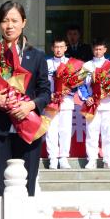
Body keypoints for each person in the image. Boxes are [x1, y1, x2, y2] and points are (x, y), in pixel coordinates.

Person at [0, 1, 51, 195]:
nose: (9, 25)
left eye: (14, 20)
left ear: (24, 23)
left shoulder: (36, 56)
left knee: (27, 190)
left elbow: (45, 92)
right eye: (5, 21)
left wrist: (30, 105)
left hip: (28, 130)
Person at [78, 38, 110, 170]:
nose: (97, 52)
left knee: (108, 134)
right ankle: (92, 160)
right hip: (93, 104)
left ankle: (108, 160)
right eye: (95, 49)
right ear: (92, 50)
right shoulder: (86, 66)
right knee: (92, 133)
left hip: (107, 104)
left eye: (100, 49)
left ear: (105, 50)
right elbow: (81, 84)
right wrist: (86, 97)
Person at [45, 38, 73, 169]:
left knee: (65, 130)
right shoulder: (46, 63)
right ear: (52, 48)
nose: (58, 50)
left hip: (66, 101)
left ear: (65, 48)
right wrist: (48, 94)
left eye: (61, 47)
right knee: (51, 130)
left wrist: (68, 90)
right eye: (56, 47)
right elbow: (42, 82)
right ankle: (52, 158)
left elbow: (77, 83)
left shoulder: (71, 63)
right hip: (51, 101)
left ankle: (63, 157)